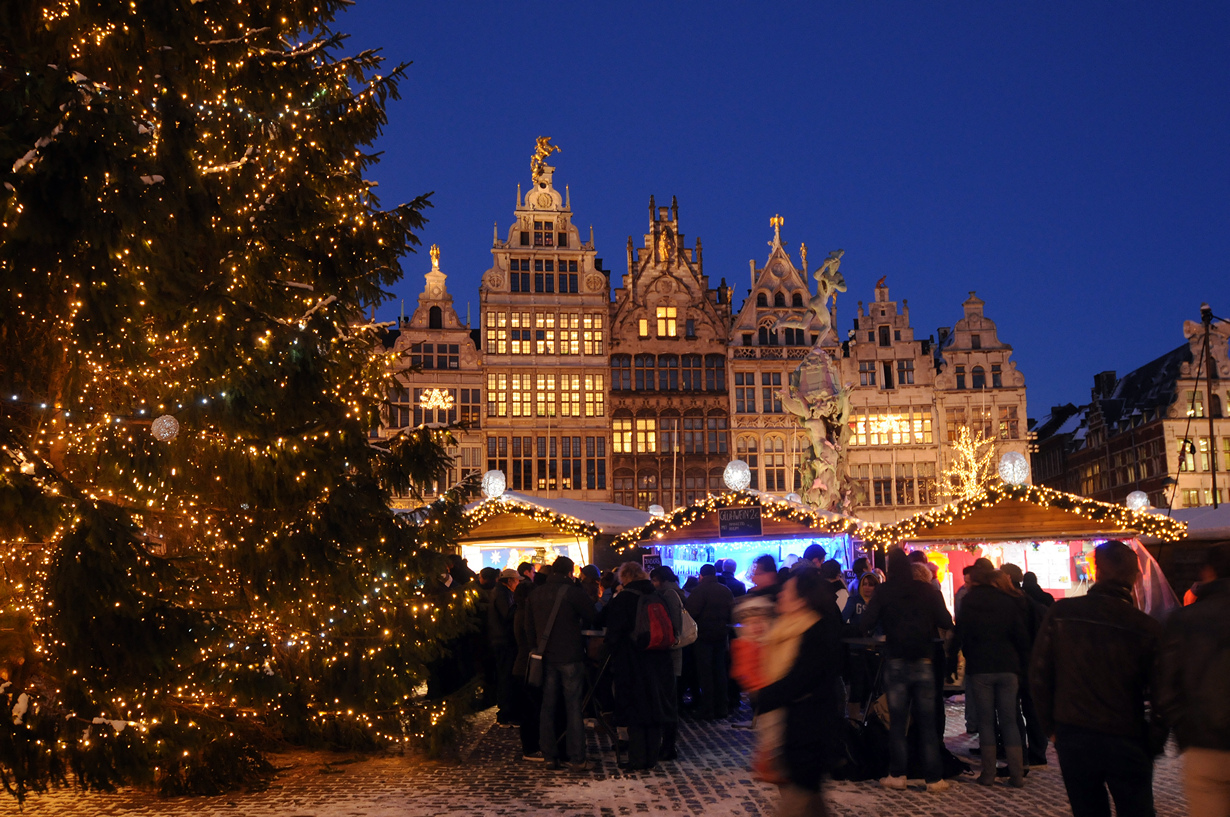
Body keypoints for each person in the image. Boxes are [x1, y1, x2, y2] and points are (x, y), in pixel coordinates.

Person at [1031, 540, 1165, 817]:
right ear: (1134, 577)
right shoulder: (1146, 627)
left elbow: (1039, 673)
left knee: (1088, 809)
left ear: (1097, 571)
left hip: (1075, 732)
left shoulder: (1063, 613)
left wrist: (1051, 726)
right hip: (1126, 734)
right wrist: (1152, 741)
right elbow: (1164, 693)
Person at [862, 548, 954, 792]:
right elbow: (946, 621)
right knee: (927, 722)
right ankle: (934, 778)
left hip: (895, 661)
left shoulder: (885, 591)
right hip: (923, 660)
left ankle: (897, 774)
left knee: (898, 721)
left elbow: (867, 623)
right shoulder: (926, 590)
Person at [756, 566, 844, 817]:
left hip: (810, 729)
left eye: (787, 592)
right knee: (811, 800)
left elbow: (801, 678)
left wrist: (766, 696)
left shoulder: (815, 629)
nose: (781, 595)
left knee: (798, 799)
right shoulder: (788, 626)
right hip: (795, 727)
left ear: (801, 599)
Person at [1158, 543, 1230, 817]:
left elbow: (1166, 687)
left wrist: (1184, 728)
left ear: (1208, 571)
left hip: (1205, 746)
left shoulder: (1185, 620)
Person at [949, 567, 1029, 786]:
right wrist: (1023, 664)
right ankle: (1016, 773)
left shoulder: (969, 601)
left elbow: (961, 632)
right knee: (1010, 720)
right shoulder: (1007, 599)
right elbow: (1020, 635)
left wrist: (952, 659)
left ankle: (988, 773)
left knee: (986, 721)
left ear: (974, 581)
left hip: (981, 666)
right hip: (1008, 665)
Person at [601, 562, 679, 770]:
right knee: (654, 708)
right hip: (659, 659)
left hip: (632, 661)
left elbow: (613, 633)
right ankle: (652, 756)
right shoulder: (658, 595)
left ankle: (638, 758)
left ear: (624, 577)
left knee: (635, 709)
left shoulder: (624, 598)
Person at [525, 556, 596, 770]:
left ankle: (549, 755)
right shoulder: (573, 593)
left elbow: (528, 627)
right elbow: (593, 616)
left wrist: (537, 649)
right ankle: (577, 758)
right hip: (570, 656)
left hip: (545, 656)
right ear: (569, 572)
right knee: (573, 707)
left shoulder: (535, 593)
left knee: (547, 706)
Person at [1001, 562, 1051, 767]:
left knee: (1013, 710)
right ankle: (1038, 752)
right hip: (1031, 661)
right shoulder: (1032, 602)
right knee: (1032, 709)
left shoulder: (1009, 603)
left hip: (1015, 662)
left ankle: (1019, 752)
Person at [684, 563, 735, 720]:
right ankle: (722, 707)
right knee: (720, 671)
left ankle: (708, 709)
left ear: (701, 575)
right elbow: (731, 612)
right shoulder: (725, 590)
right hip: (721, 636)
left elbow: (690, 613)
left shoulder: (699, 591)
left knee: (705, 674)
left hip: (703, 637)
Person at [650, 565, 686, 761]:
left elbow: (675, 625)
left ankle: (669, 746)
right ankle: (668, 744)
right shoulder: (675, 591)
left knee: (669, 700)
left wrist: (670, 640)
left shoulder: (668, 594)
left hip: (671, 652)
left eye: (654, 579)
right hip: (672, 652)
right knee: (670, 699)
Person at [512, 562, 543, 760]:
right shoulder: (525, 615)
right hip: (526, 667)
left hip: (521, 665)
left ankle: (531, 746)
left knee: (529, 709)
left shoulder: (519, 612)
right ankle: (530, 749)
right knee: (530, 710)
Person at [489, 568, 520, 726]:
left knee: (505, 675)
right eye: (516, 580)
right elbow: (507, 614)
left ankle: (506, 710)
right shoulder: (502, 593)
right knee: (506, 675)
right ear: (509, 581)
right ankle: (505, 712)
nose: (518, 583)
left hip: (500, 640)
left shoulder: (500, 592)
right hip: (503, 640)